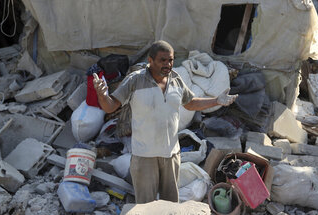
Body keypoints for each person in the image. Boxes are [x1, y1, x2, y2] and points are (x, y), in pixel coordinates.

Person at [93, 40, 237, 203]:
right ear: (150, 60)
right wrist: (102, 96)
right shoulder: (135, 81)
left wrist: (217, 100)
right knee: (146, 204)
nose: (168, 64)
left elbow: (191, 103)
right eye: (163, 60)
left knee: (170, 203)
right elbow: (110, 106)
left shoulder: (176, 79)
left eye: (171, 60)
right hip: (144, 156)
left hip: (170, 155)